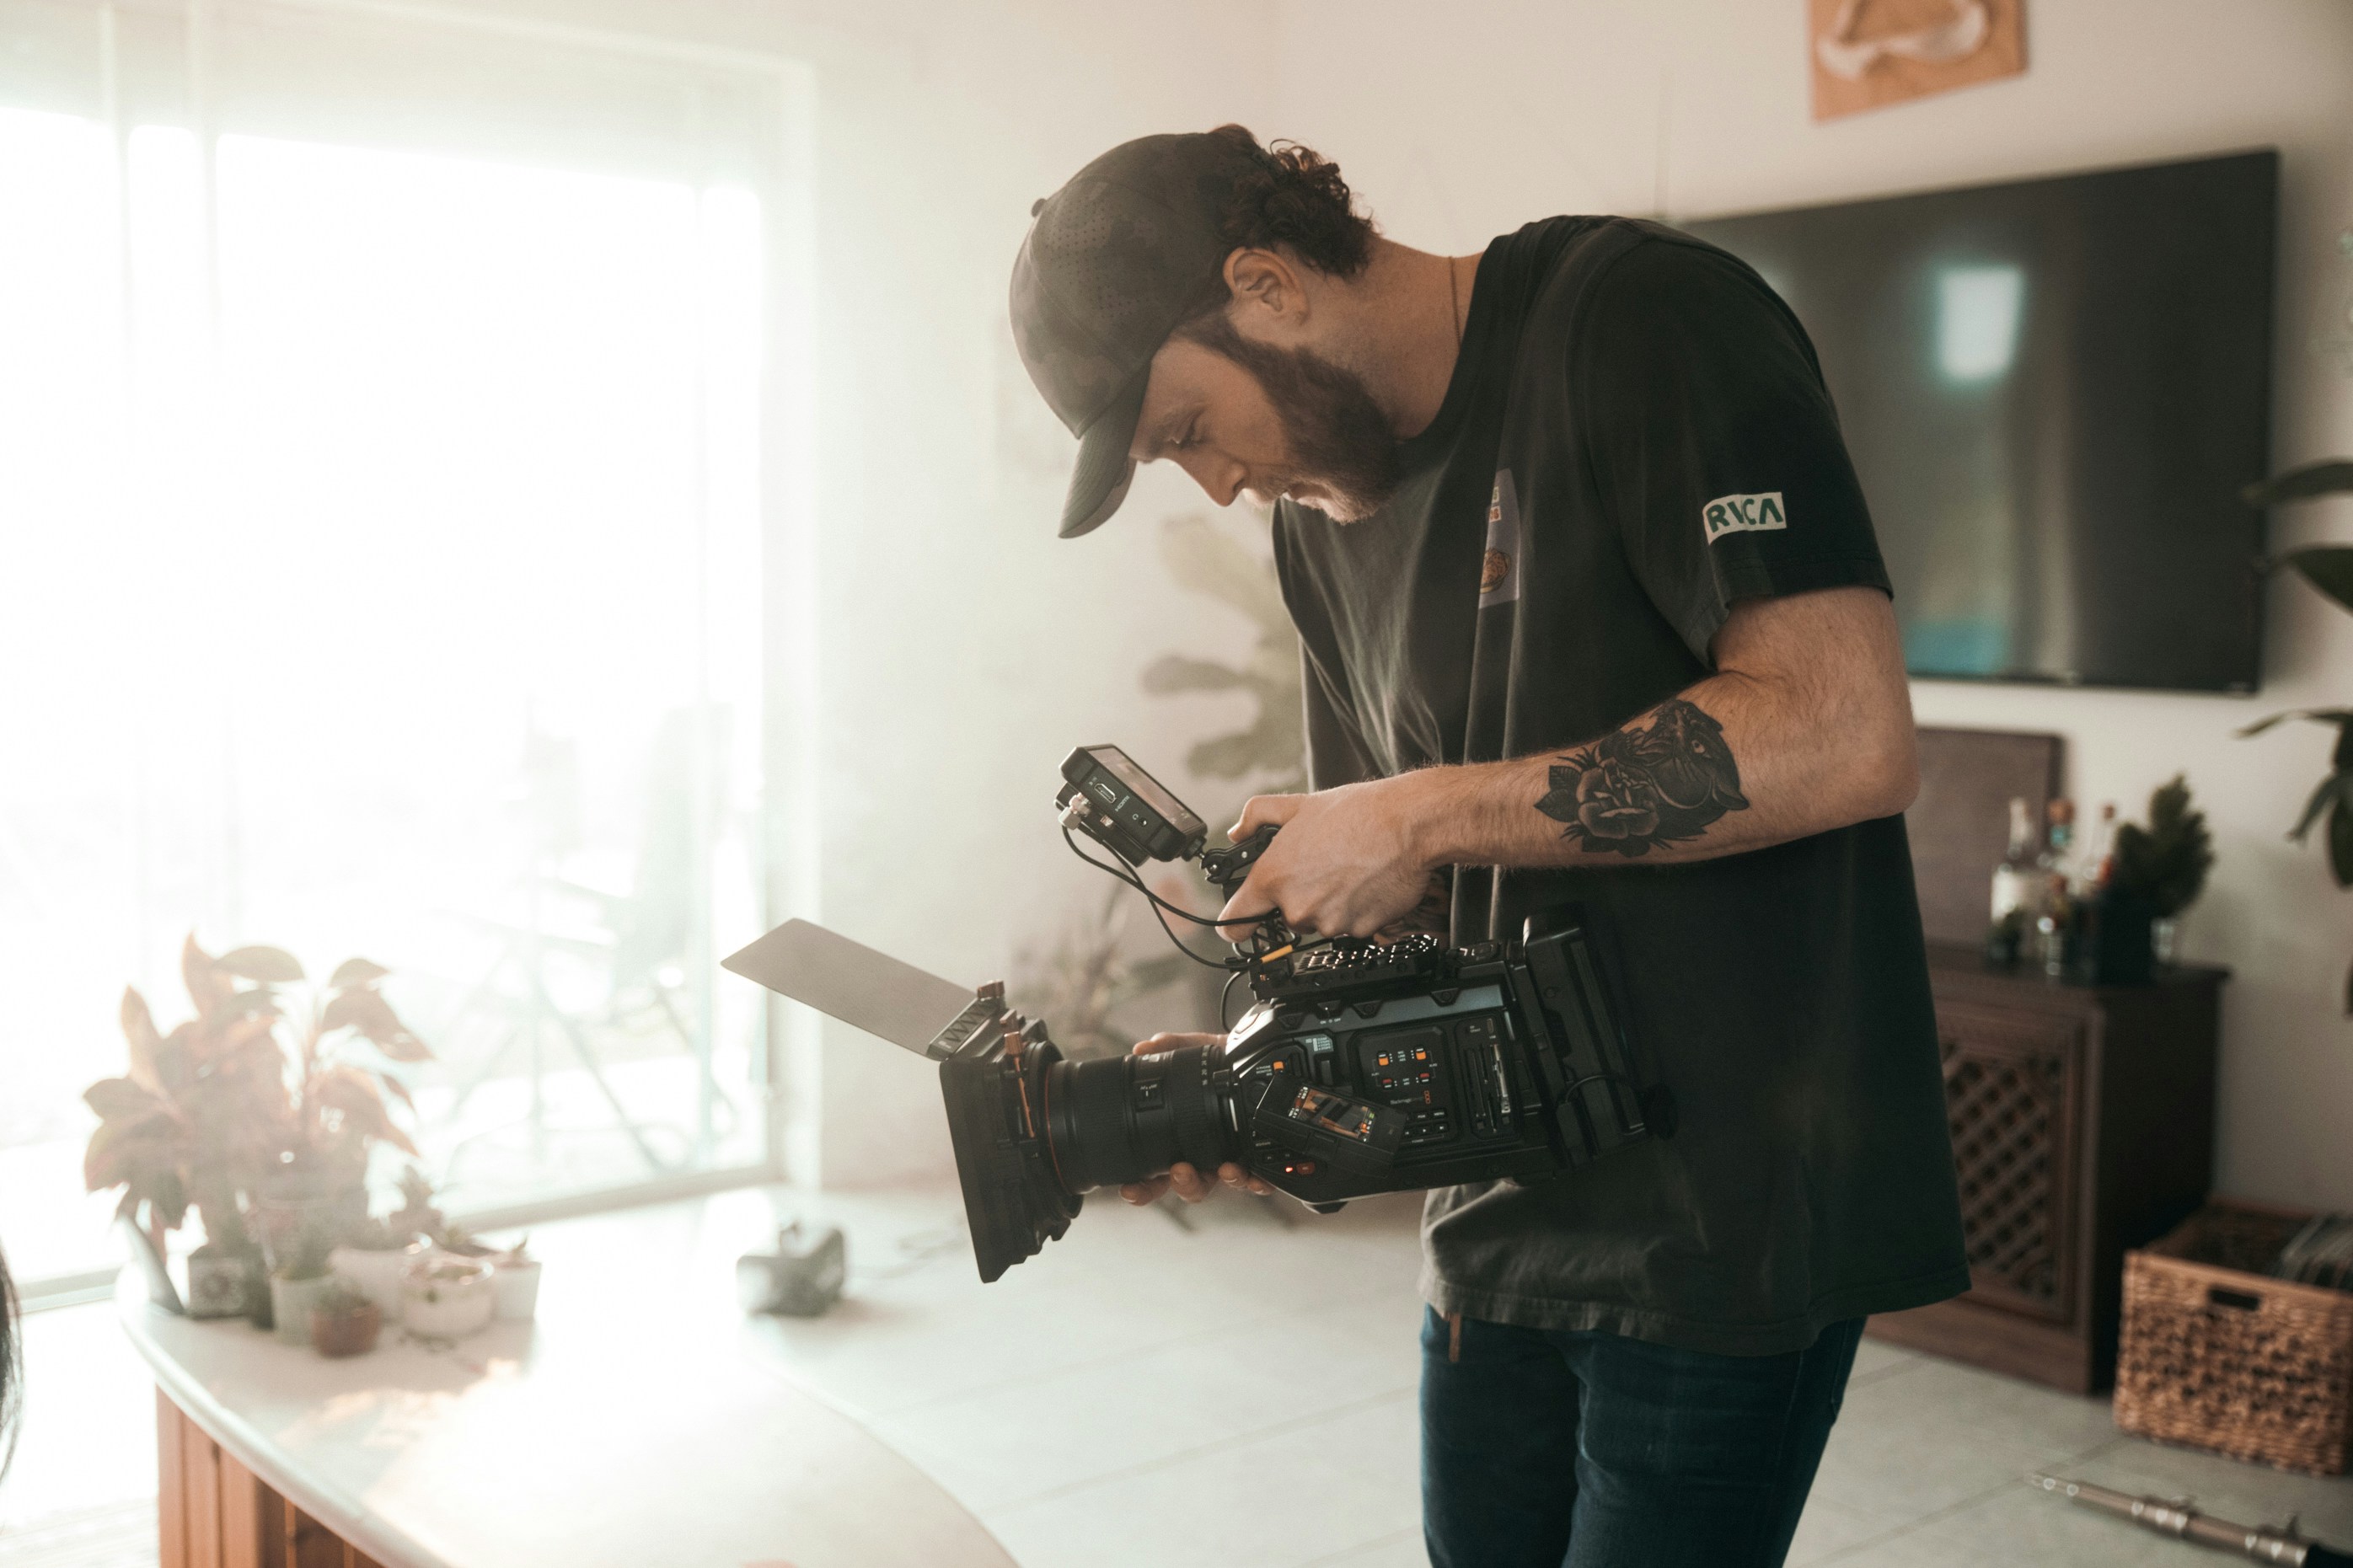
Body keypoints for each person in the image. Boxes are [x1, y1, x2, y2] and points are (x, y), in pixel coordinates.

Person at [1007, 126, 1968, 1567]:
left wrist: (1410, 808)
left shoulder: (1642, 321)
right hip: (1495, 1225)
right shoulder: (1323, 525)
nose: (1210, 485)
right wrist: (1229, 1087)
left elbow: (1842, 731)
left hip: (1728, 1225)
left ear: (1265, 286)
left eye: (1188, 432)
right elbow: (1412, 918)